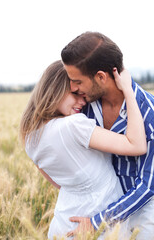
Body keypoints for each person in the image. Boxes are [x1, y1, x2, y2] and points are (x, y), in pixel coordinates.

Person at [20, 60, 146, 240]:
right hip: (98, 225)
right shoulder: (73, 125)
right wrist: (128, 91)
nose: (83, 101)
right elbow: (137, 145)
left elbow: (59, 184)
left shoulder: (29, 137)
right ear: (54, 91)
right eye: (75, 94)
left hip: (64, 225)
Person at [61, 31, 154, 240]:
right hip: (97, 202)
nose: (72, 88)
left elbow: (148, 185)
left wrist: (98, 221)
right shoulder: (83, 107)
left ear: (101, 77)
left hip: (143, 210)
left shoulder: (149, 113)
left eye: (77, 81)